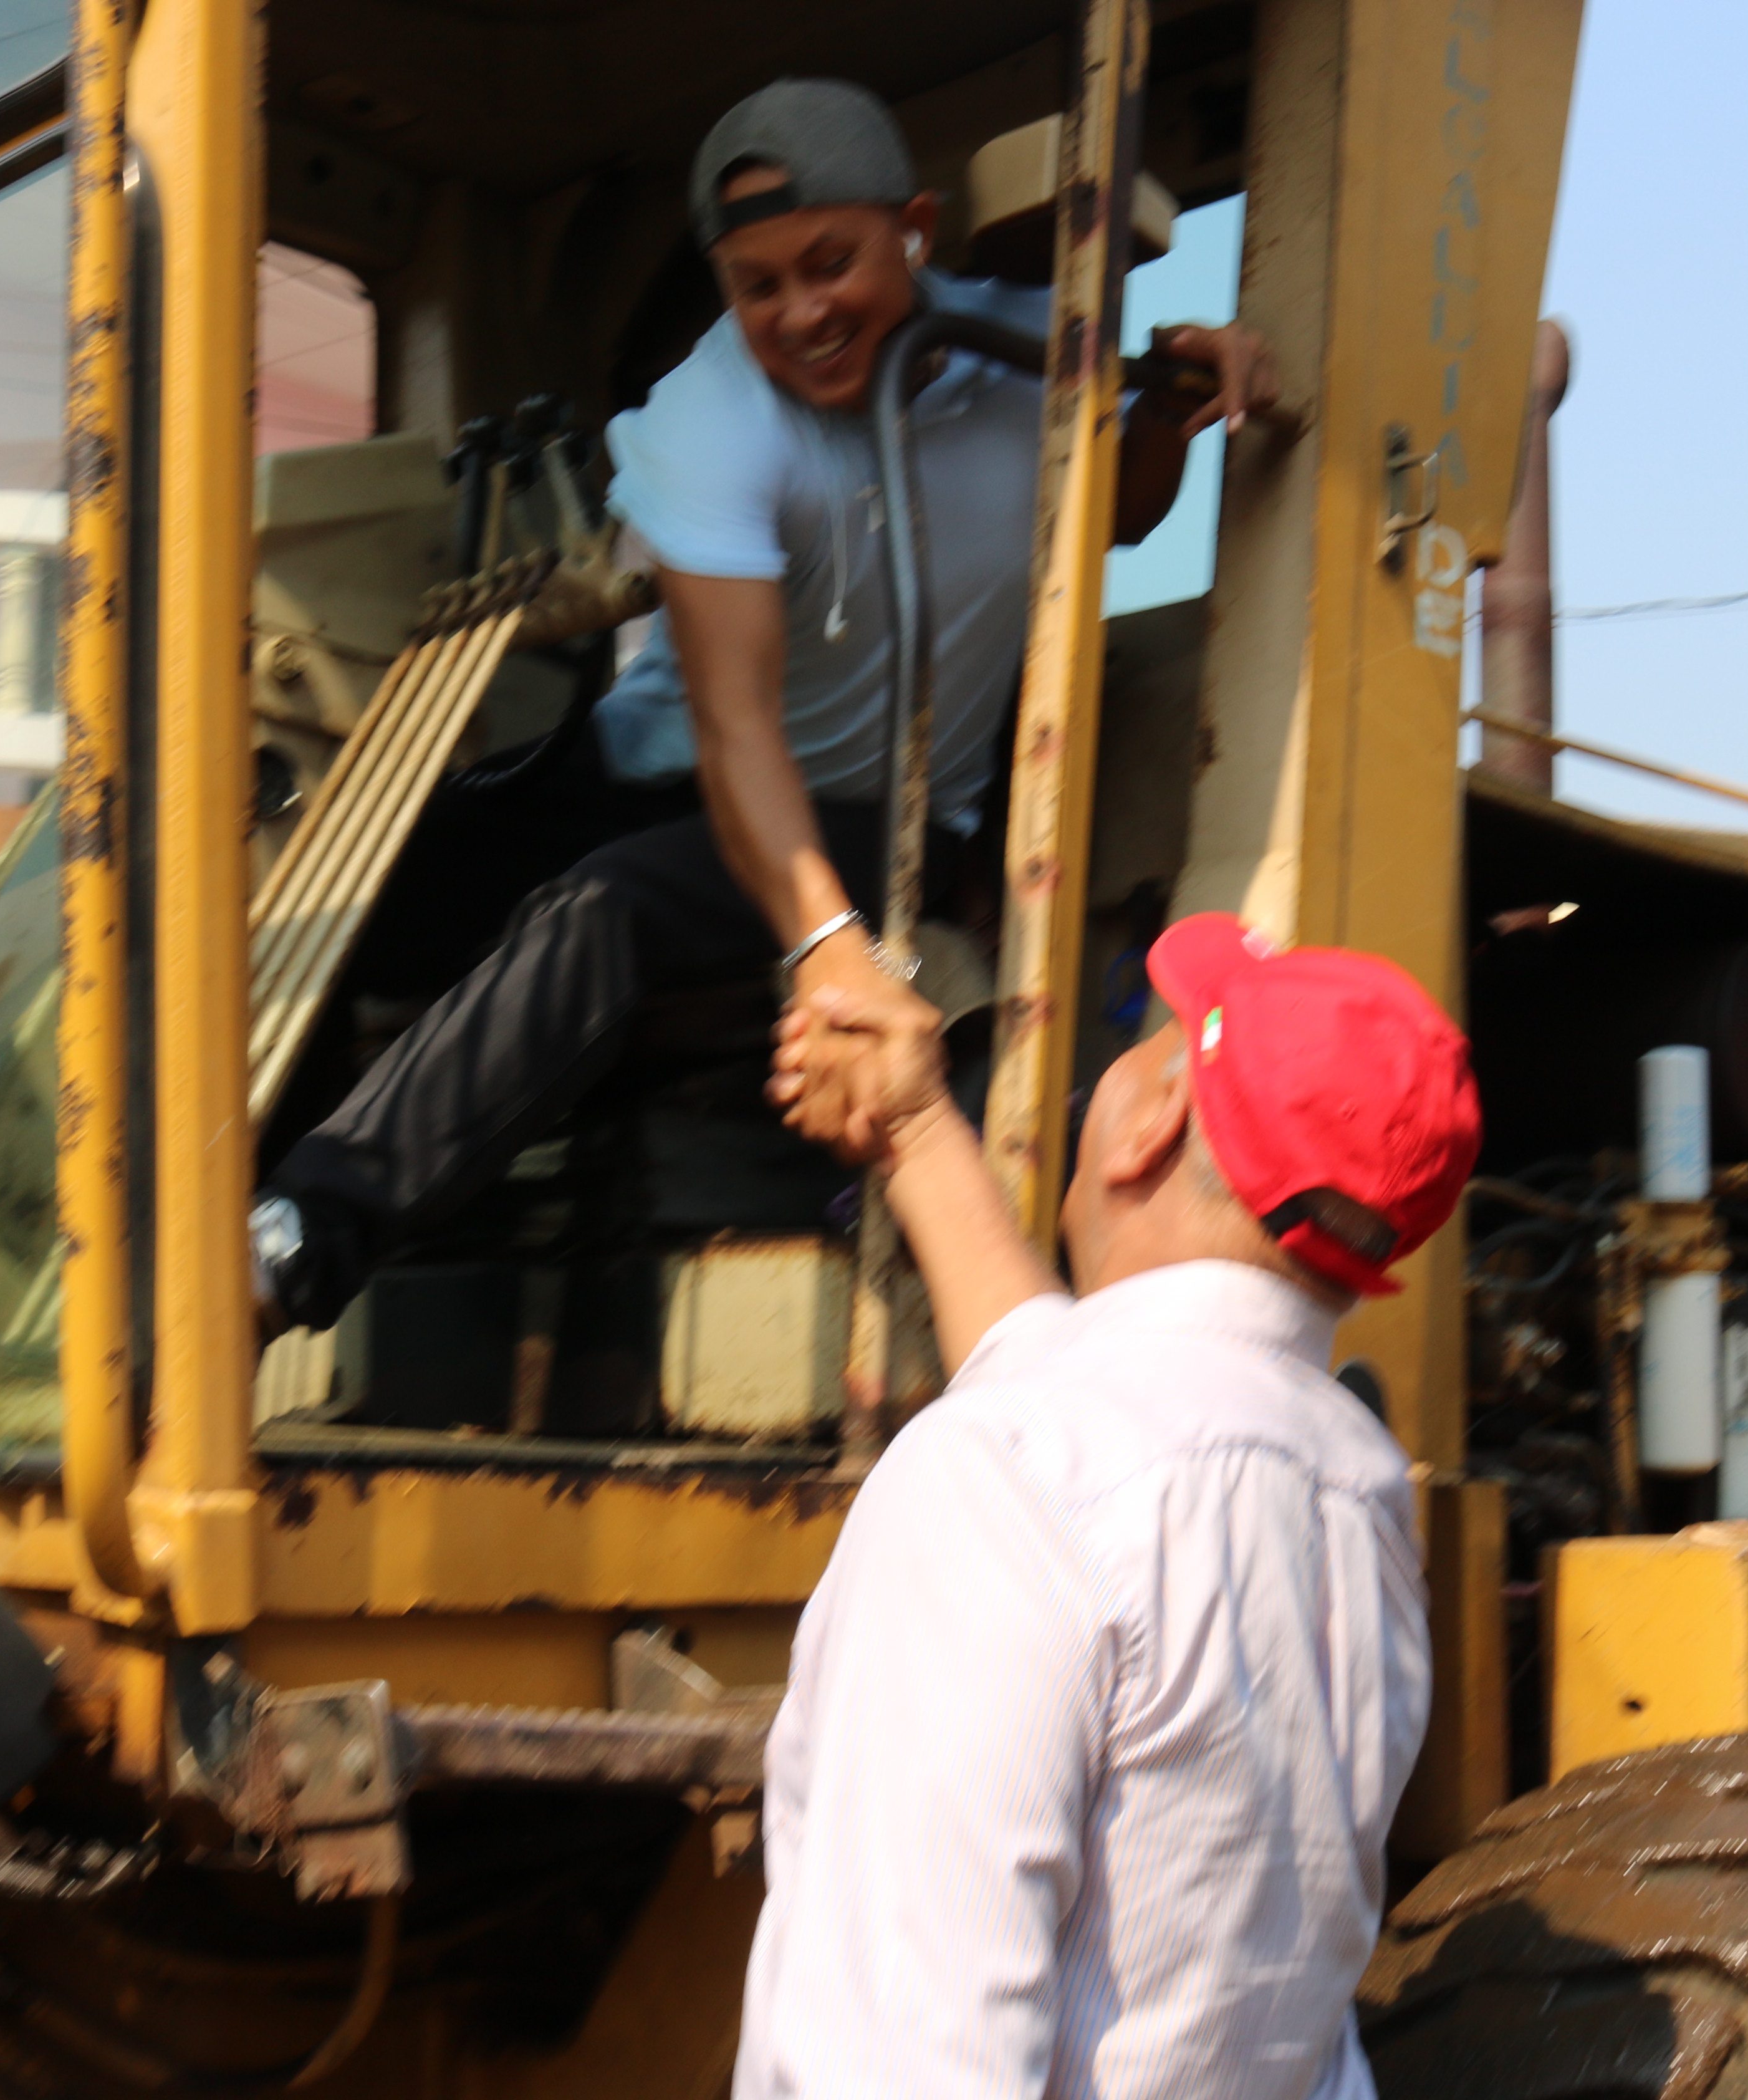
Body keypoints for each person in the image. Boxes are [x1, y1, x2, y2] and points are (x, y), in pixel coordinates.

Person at [251, 78, 1280, 1327]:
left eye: (830, 263)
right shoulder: (709, 420)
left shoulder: (1034, 360)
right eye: (758, 284)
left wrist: (1173, 409)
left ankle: (296, 1242)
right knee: (337, 885)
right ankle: (210, 1202)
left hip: (868, 806)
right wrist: (827, 946)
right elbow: (734, 726)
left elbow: (1113, 516)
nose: (800, 313)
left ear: (912, 224)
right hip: (670, 774)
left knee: (605, 911)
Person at [739, 913, 1479, 2098]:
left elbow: (905, 2061)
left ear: (1151, 1125)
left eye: (1149, 1033)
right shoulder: (1358, 1492)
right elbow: (1078, 1398)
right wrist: (919, 1126)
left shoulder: (1004, 1485)